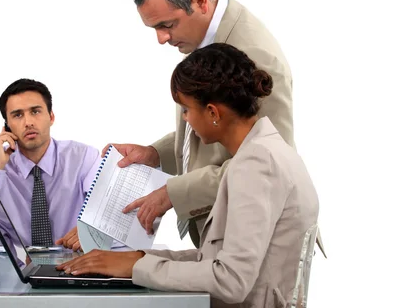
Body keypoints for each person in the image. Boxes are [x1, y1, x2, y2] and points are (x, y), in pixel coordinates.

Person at [57, 43, 319, 308]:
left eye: (186, 109)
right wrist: (137, 258)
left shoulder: (256, 164)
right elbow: (214, 260)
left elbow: (231, 281)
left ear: (213, 113)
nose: (185, 120)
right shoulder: (264, 150)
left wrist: (137, 266)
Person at [111, 0, 295, 247]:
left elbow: (270, 164)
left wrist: (175, 192)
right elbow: (215, 124)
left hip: (261, 243)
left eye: (167, 25)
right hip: (228, 233)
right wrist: (155, 154)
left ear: (199, 1)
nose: (161, 39)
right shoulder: (205, 37)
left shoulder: (257, 57)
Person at [0, 78, 99, 252]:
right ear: (7, 127)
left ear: (51, 117)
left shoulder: (84, 158)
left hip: (73, 268)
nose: (28, 122)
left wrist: (91, 229)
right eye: (17, 115)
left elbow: (107, 214)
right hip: (17, 274)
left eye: (35, 111)